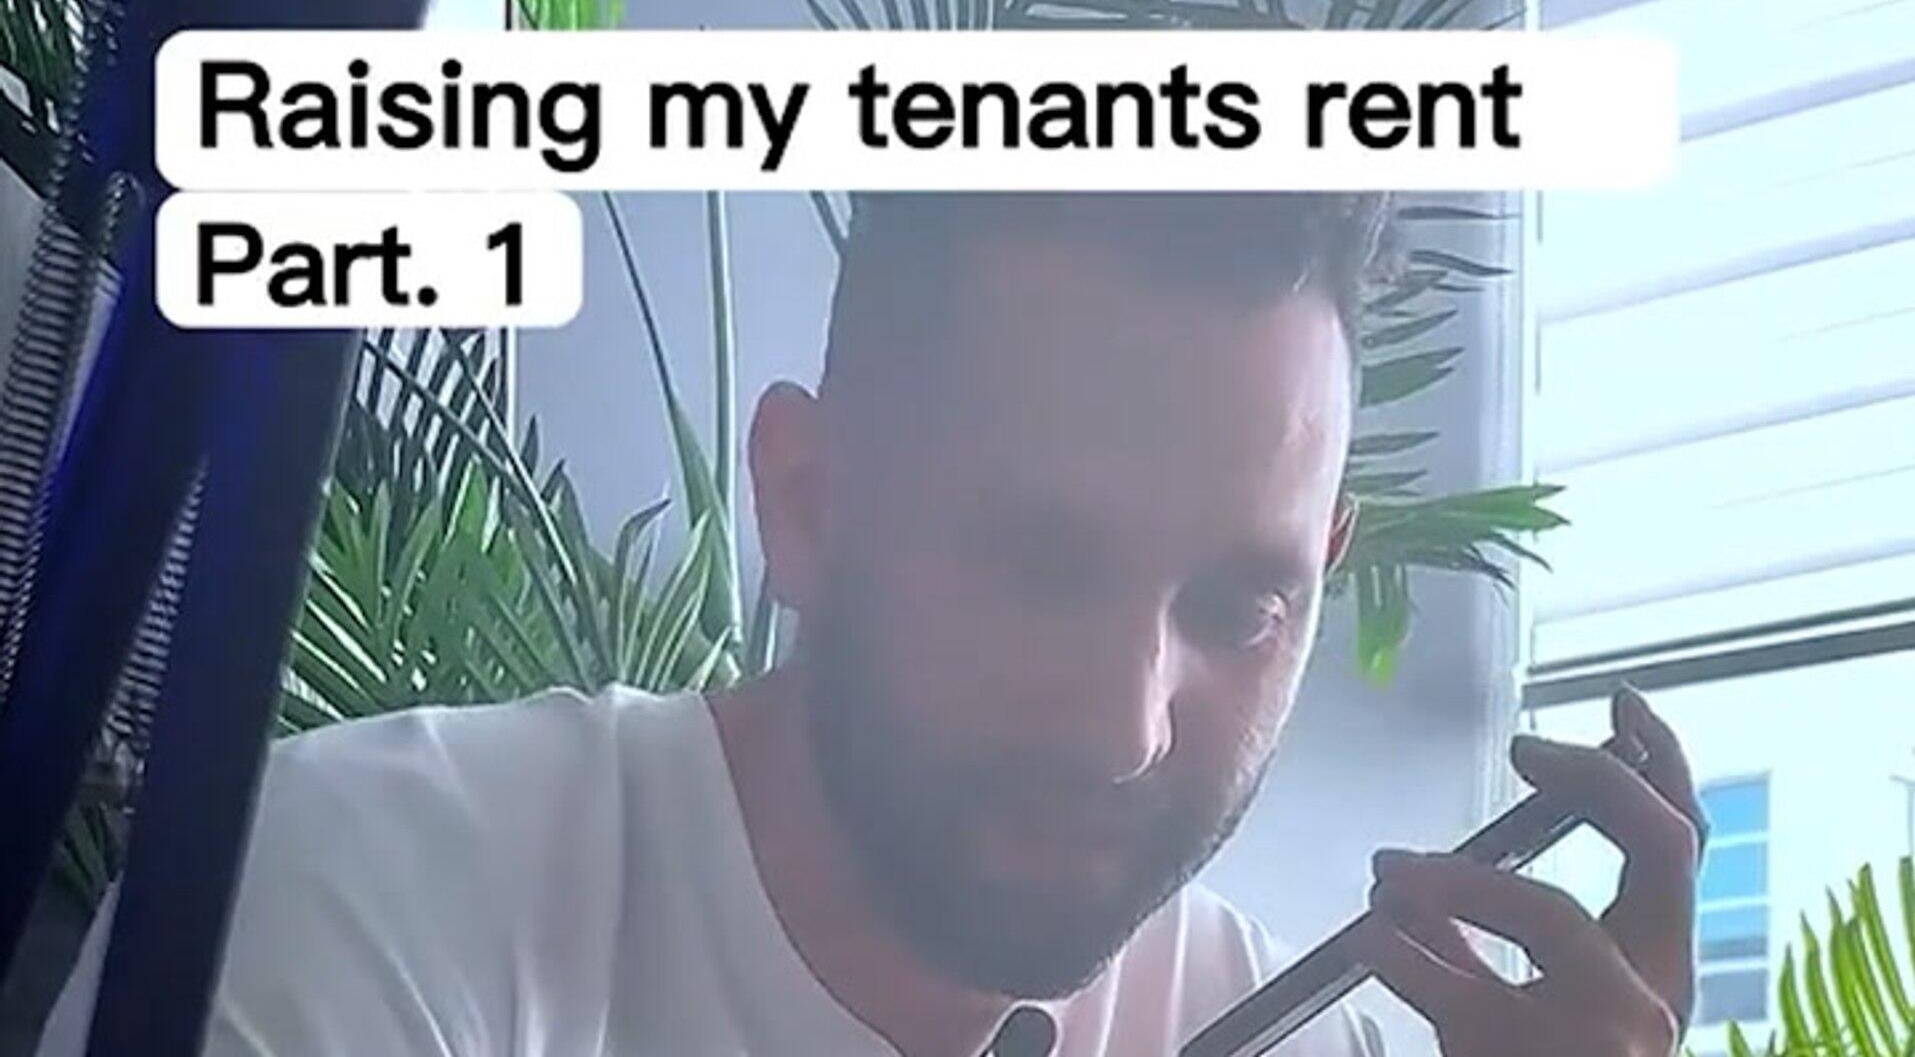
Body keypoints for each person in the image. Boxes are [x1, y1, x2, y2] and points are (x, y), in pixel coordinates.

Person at [37, 193, 1704, 1056]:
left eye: (1238, 602)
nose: (1127, 727)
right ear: (810, 502)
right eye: (1037, 562)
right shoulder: (363, 897)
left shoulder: (1301, 1033)